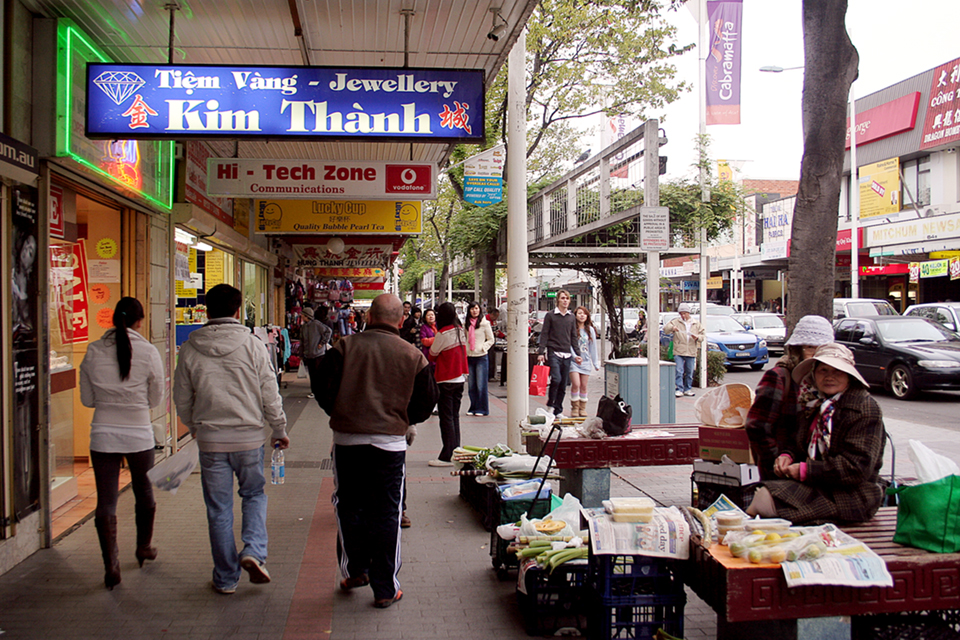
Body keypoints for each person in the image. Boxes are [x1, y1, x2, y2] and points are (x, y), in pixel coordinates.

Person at [312, 294, 438, 609]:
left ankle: (355, 570)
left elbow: (322, 386)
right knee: (386, 512)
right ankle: (385, 587)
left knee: (348, 506)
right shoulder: (413, 355)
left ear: (368, 317)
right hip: (390, 445)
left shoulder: (344, 348)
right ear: (400, 321)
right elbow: (426, 401)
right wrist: (402, 418)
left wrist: (340, 413)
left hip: (347, 441)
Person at [173, 284, 289, 595]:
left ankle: (225, 578)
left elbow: (182, 397)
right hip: (249, 438)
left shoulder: (190, 347)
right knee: (253, 495)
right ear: (239, 311)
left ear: (207, 310)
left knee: (218, 507)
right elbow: (269, 393)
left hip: (211, 440)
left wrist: (194, 426)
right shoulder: (253, 346)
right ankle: (253, 550)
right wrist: (279, 428)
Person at [746, 343, 886, 525]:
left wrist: (805, 470)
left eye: (837, 371)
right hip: (820, 485)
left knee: (764, 501)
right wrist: (787, 455)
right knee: (754, 494)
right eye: (823, 371)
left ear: (849, 376)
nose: (829, 377)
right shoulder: (814, 402)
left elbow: (856, 468)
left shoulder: (864, 408)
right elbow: (798, 443)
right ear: (814, 374)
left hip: (853, 495)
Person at [79, 297, 165, 589]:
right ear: (140, 321)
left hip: (102, 433)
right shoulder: (149, 351)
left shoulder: (92, 351)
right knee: (144, 491)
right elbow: (156, 398)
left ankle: (111, 565)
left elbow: (87, 400)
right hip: (139, 433)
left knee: (106, 501)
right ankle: (143, 548)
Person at [745, 315, 835, 480]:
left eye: (821, 347)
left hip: (813, 470)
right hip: (781, 470)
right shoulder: (779, 377)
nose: (815, 353)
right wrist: (776, 461)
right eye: (809, 347)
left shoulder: (827, 381)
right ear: (797, 349)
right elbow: (757, 426)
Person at [428, 302, 469, 466]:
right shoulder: (460, 330)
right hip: (460, 378)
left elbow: (432, 355)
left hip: (445, 379)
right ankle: (456, 450)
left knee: (446, 418)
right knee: (454, 416)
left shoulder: (443, 334)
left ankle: (447, 455)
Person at [537, 290, 582, 417]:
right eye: (563, 298)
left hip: (567, 354)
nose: (565, 301)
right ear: (558, 300)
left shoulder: (571, 317)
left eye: (567, 298)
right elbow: (544, 334)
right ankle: (550, 405)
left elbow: (573, 336)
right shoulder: (551, 315)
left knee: (563, 383)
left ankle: (558, 410)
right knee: (556, 379)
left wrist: (577, 354)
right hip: (554, 352)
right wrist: (541, 352)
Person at [663, 303, 704, 398]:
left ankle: (688, 388)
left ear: (688, 313)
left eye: (685, 313)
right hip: (679, 350)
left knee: (689, 371)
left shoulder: (696, 323)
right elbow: (666, 329)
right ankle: (679, 389)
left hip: (691, 350)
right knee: (679, 370)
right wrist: (672, 328)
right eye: (681, 313)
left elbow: (703, 335)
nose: (683, 316)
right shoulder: (676, 322)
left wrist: (697, 337)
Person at [464, 301, 495, 416]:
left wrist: (483, 348)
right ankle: (473, 407)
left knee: (481, 384)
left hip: (481, 357)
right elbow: (464, 338)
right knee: (471, 385)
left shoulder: (485, 323)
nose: (474, 311)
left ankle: (482, 409)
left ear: (479, 310)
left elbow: (491, 339)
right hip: (469, 356)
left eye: (476, 308)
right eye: (472, 309)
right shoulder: (466, 324)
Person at [569, 306, 600, 417]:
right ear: (575, 315)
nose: (582, 315)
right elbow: (570, 345)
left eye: (584, 313)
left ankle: (582, 408)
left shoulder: (590, 330)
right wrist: (574, 356)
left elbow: (593, 347)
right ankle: (575, 408)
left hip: (586, 362)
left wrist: (595, 363)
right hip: (574, 362)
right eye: (579, 313)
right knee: (576, 384)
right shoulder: (572, 328)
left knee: (584, 386)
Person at [300, 305, 332, 398]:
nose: (301, 316)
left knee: (319, 373)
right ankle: (314, 391)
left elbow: (328, 331)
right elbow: (302, 341)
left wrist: (322, 343)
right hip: (309, 354)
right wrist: (301, 354)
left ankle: (321, 391)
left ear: (307, 316)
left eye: (303, 315)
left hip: (318, 354)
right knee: (312, 374)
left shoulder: (317, 324)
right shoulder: (303, 327)